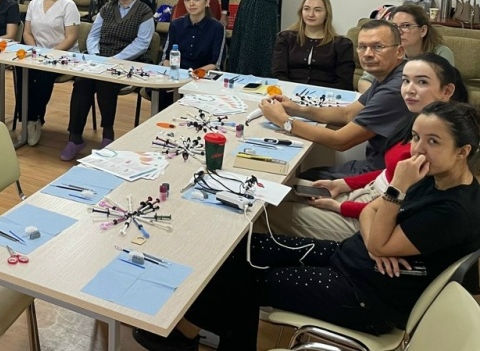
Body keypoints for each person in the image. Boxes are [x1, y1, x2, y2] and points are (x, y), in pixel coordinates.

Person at [132, 101, 480, 351]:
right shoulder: (430, 175)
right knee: (240, 249)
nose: (418, 149)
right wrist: (377, 235)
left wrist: (388, 208)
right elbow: (369, 214)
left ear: (463, 151)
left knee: (246, 282)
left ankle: (193, 334)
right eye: (416, 137)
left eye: (433, 141)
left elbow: (378, 234)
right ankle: (190, 330)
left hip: (368, 298)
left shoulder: (453, 210)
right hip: (352, 259)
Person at [271, 55, 468, 242]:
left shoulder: (436, 146)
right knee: (274, 190)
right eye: (406, 81)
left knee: (267, 211)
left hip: (372, 216)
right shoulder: (416, 120)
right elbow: (390, 173)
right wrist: (343, 184)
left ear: (447, 91)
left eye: (422, 82)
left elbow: (402, 208)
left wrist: (342, 207)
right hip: (367, 193)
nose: (409, 89)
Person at [262, 20, 410, 179]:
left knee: (295, 178)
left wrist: (283, 120)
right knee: (307, 173)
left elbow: (341, 141)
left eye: (378, 47)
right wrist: (297, 109)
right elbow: (347, 114)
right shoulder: (389, 74)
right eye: (362, 47)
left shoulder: (396, 88)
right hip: (376, 164)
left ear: (399, 51)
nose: (367, 54)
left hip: (383, 176)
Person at [60, 0, 154, 161]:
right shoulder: (107, 8)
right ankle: (75, 137)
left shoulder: (144, 11)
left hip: (127, 62)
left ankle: (108, 135)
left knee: (105, 82)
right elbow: (93, 35)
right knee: (82, 82)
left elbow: (142, 43)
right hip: (100, 59)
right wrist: (96, 56)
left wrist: (116, 59)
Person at [21, 0, 79, 146]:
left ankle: (35, 119)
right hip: (38, 53)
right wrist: (36, 51)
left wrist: (49, 54)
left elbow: (71, 37)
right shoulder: (34, 3)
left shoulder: (68, 5)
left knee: (42, 73)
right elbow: (27, 32)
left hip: (62, 55)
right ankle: (26, 118)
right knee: (21, 71)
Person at [357, 4, 454, 93]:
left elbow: (442, 90)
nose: (399, 32)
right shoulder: (391, 51)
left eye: (406, 26)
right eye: (394, 26)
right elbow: (364, 81)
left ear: (423, 30)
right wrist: (380, 99)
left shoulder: (441, 53)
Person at [271, 0, 355, 90]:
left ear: (327, 14)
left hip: (328, 94)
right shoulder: (285, 38)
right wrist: (291, 91)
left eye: (317, 10)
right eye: (306, 9)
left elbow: (344, 81)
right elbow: (278, 73)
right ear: (301, 12)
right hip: (288, 91)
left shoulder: (342, 44)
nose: (311, 14)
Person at [160, 0, 225, 87]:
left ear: (207, 2)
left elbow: (216, 64)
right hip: (176, 75)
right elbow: (166, 58)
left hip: (203, 77)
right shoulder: (176, 24)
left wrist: (194, 75)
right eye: (187, 0)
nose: (191, 4)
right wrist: (172, 76)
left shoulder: (217, 28)